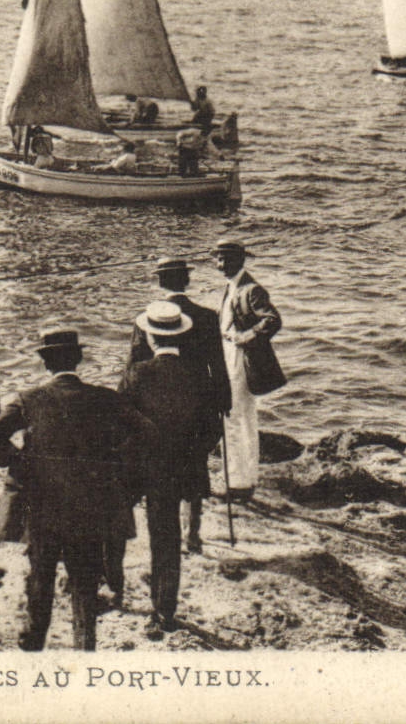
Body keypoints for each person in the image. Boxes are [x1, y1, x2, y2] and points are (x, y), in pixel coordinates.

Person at [0, 328, 154, 652]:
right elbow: (146, 433)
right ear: (79, 360)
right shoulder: (105, 399)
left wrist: (19, 462)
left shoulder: (29, 399)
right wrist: (116, 467)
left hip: (43, 506)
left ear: (46, 363)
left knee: (40, 576)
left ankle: (34, 641)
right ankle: (85, 644)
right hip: (91, 506)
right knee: (85, 579)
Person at [120, 302, 220, 635]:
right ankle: (165, 610)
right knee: (169, 538)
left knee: (125, 521)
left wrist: (139, 456)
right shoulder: (198, 376)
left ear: (150, 338)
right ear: (180, 335)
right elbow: (213, 428)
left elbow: (121, 423)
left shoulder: (137, 374)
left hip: (146, 469)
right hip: (185, 468)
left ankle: (115, 587)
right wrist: (191, 454)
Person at [126, 258, 231, 552]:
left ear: (160, 282)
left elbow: (133, 365)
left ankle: (162, 531)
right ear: (186, 281)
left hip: (154, 403)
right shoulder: (208, 316)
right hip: (197, 402)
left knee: (159, 464)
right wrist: (224, 401)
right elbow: (218, 366)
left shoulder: (145, 319)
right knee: (195, 462)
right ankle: (193, 534)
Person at [214, 239, 285, 502]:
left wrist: (245, 337)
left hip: (241, 361)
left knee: (236, 419)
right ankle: (244, 479)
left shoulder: (251, 289)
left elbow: (273, 320)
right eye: (218, 259)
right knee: (240, 418)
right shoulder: (232, 287)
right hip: (230, 358)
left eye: (226, 259)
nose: (221, 264)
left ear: (240, 260)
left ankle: (239, 484)